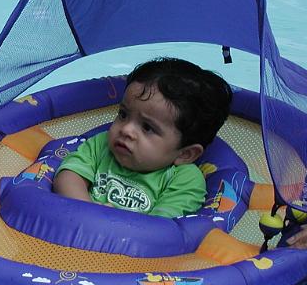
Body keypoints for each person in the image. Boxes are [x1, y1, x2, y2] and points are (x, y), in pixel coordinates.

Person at [52, 57, 233, 218]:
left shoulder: (185, 179)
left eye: (147, 127)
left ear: (184, 154)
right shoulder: (102, 145)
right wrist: (88, 212)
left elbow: (163, 229)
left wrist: (110, 224)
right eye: (123, 114)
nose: (127, 130)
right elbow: (68, 176)